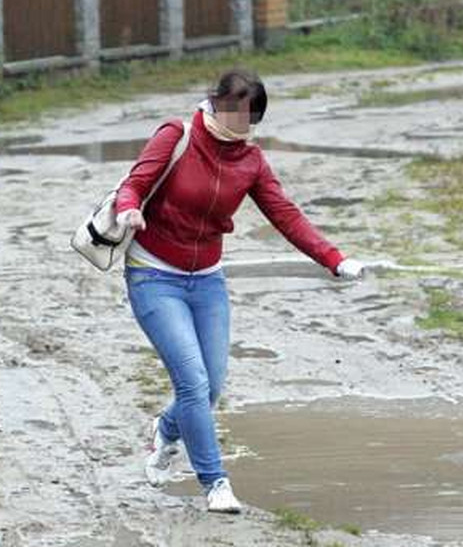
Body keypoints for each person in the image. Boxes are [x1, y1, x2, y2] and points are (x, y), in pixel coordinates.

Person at [114, 70, 365, 514]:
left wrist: (333, 258)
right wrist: (130, 210)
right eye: (235, 111)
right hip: (154, 274)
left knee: (208, 389)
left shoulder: (250, 161)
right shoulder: (178, 135)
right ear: (216, 101)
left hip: (207, 279)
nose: (241, 124)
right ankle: (215, 484)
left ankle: (166, 431)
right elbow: (135, 182)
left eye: (250, 118)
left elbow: (285, 215)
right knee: (191, 381)